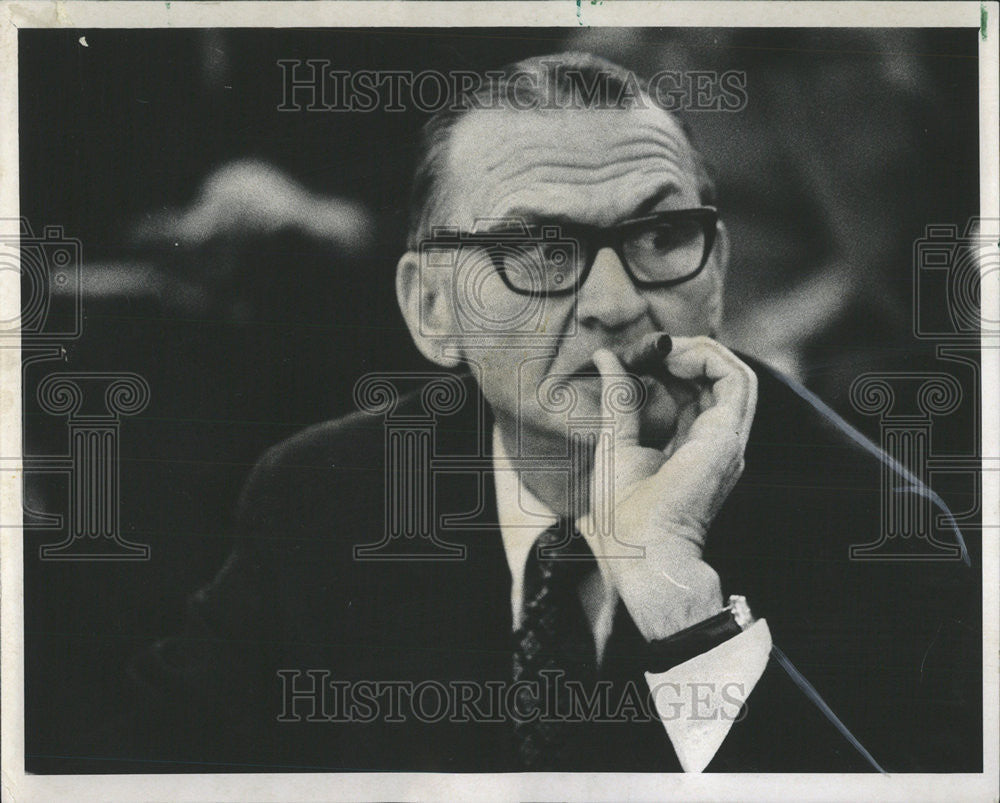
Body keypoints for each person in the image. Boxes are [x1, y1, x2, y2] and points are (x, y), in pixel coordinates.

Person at [88, 52, 978, 774]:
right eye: (540, 249)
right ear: (433, 309)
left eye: (661, 236)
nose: (616, 301)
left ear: (719, 266)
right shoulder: (323, 491)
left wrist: (689, 622)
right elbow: (132, 767)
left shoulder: (882, 527)